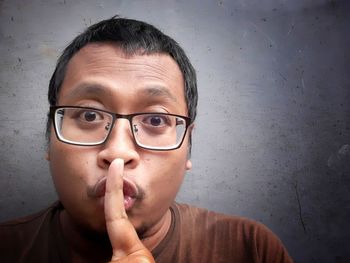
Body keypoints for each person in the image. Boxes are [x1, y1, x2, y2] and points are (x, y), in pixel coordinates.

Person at [0, 16, 293, 263]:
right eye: (89, 116)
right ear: (49, 136)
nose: (118, 152)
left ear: (187, 145)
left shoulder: (250, 249)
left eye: (155, 120)